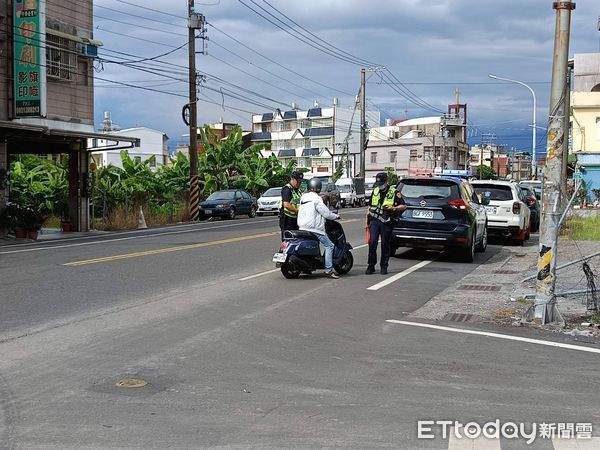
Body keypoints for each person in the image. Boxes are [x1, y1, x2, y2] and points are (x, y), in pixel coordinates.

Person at [297, 178, 341, 279]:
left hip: (302, 227)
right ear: (318, 188)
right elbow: (326, 213)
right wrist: (336, 216)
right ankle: (329, 270)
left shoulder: (303, 197)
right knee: (329, 245)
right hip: (314, 229)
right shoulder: (317, 199)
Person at [366, 172, 407, 275]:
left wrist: (393, 208)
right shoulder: (375, 191)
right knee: (372, 242)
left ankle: (384, 266)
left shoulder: (394, 192)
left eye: (382, 184)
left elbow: (404, 206)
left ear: (386, 182)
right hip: (374, 221)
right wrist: (366, 222)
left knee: (385, 244)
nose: (380, 186)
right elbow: (370, 207)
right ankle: (371, 266)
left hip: (387, 222)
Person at [279, 171, 303, 240]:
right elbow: (286, 204)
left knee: (296, 239)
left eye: (300, 182)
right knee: (287, 239)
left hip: (295, 219)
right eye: (297, 181)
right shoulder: (287, 189)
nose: (299, 183)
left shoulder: (298, 190)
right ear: (292, 179)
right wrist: (297, 211)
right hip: (287, 219)